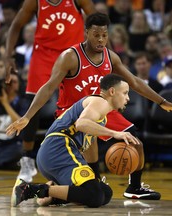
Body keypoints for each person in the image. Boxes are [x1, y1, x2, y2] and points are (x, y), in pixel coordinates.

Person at [6, 13, 172, 202]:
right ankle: (69, 187)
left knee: (133, 139)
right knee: (90, 162)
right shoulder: (70, 57)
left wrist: (160, 101)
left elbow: (134, 82)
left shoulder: (111, 57)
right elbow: (49, 87)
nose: (100, 39)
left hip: (100, 108)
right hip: (72, 112)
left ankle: (134, 187)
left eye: (104, 35)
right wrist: (28, 116)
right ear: (86, 33)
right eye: (96, 35)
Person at [7, 74, 138, 207]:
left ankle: (52, 195)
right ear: (112, 91)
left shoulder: (100, 113)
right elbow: (81, 123)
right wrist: (116, 133)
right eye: (125, 93)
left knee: (105, 193)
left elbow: (90, 144)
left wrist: (94, 174)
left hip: (52, 153)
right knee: (95, 195)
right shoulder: (101, 102)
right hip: (59, 148)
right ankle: (29, 190)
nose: (128, 98)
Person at [4, 0, 96, 184]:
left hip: (73, 54)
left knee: (84, 106)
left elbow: (95, 21)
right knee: (33, 103)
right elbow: (16, 25)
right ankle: (27, 159)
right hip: (44, 54)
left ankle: (88, 165)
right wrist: (8, 56)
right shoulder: (35, 2)